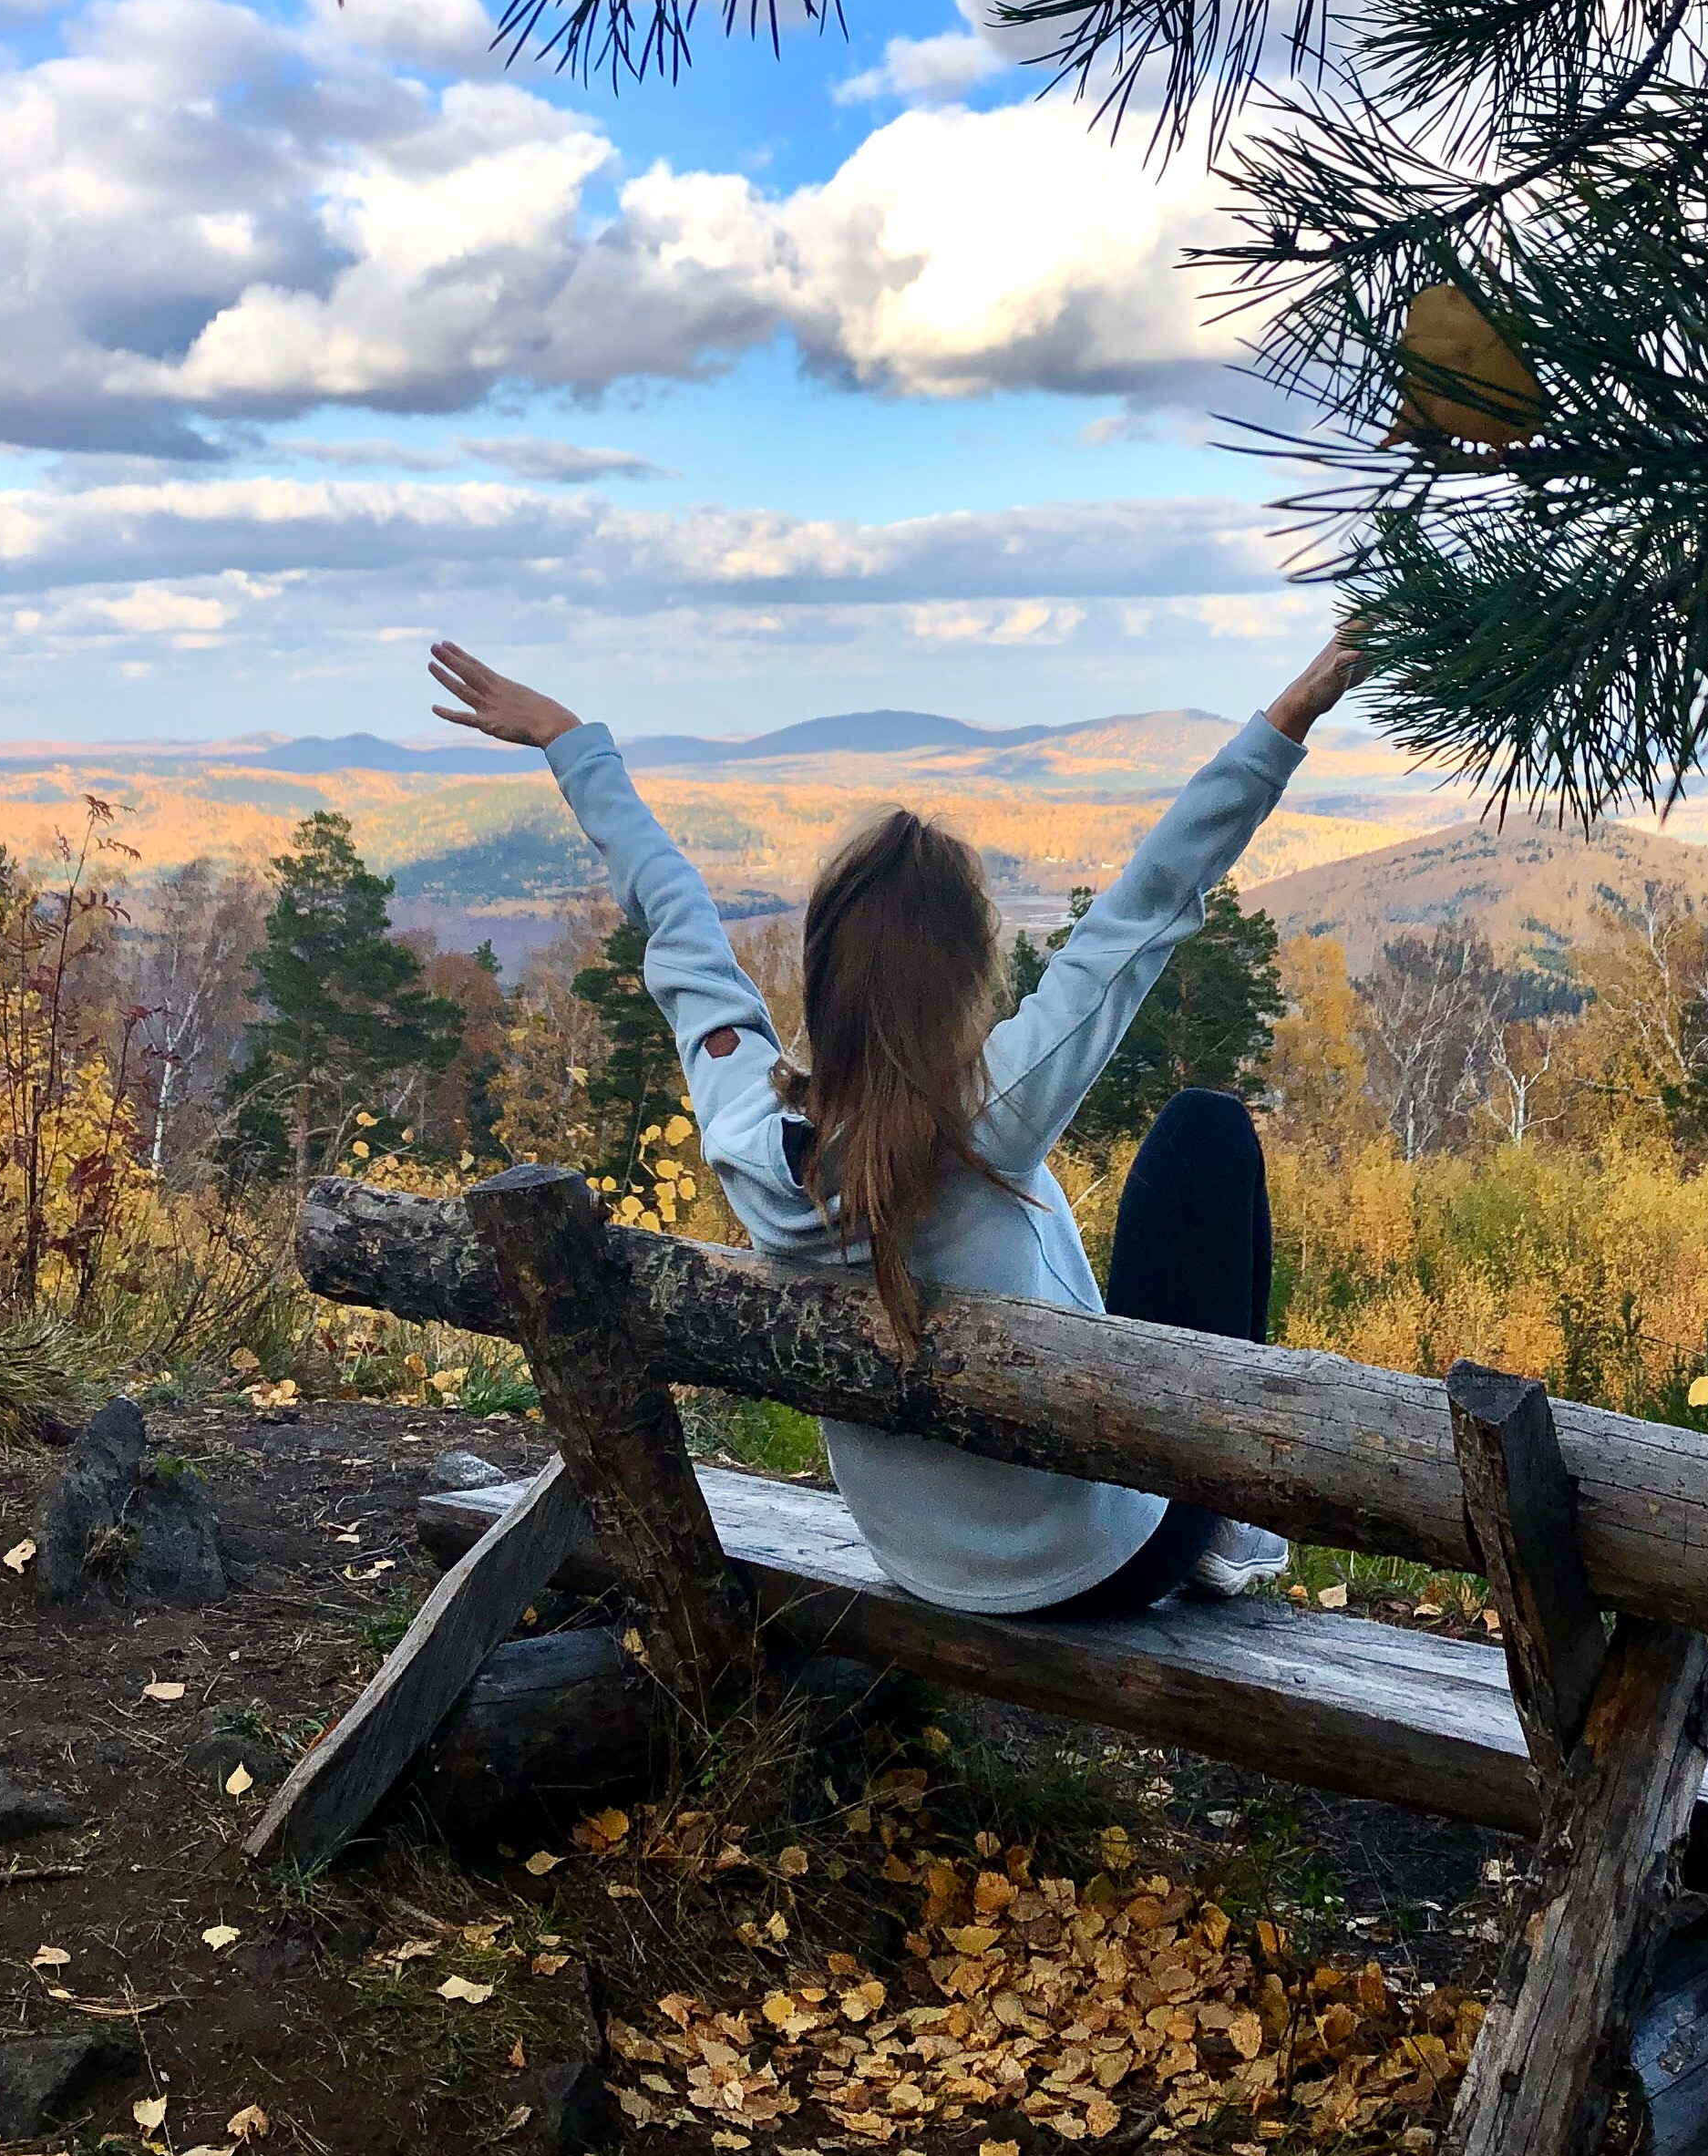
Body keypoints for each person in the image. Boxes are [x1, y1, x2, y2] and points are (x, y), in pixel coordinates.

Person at [425, 627, 1364, 1618]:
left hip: (915, 1557)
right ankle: (1219, 1526)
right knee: (1203, 1135)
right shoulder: (985, 1115)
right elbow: (1143, 908)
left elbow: (677, 920)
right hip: (1098, 1562)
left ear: (822, 971)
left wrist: (572, 743)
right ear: (968, 973)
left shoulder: (748, 1119)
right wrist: (1290, 714)